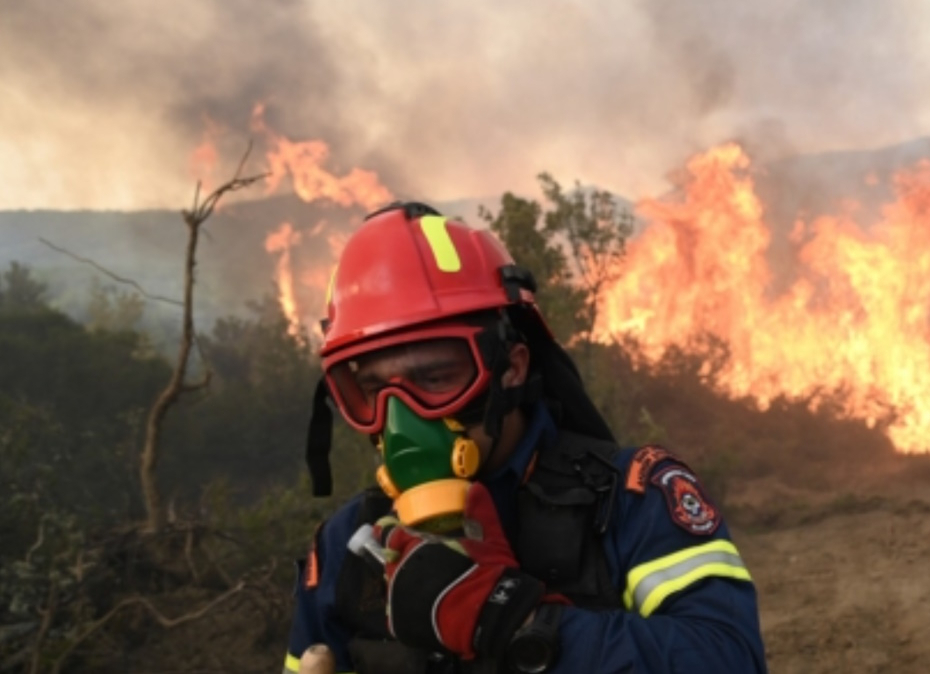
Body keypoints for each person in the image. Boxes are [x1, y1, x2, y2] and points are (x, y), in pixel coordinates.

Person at [283, 202, 767, 674]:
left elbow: (729, 657)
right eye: (371, 391)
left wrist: (514, 620)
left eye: (435, 379)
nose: (403, 420)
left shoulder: (632, 498)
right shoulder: (343, 549)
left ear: (510, 368)